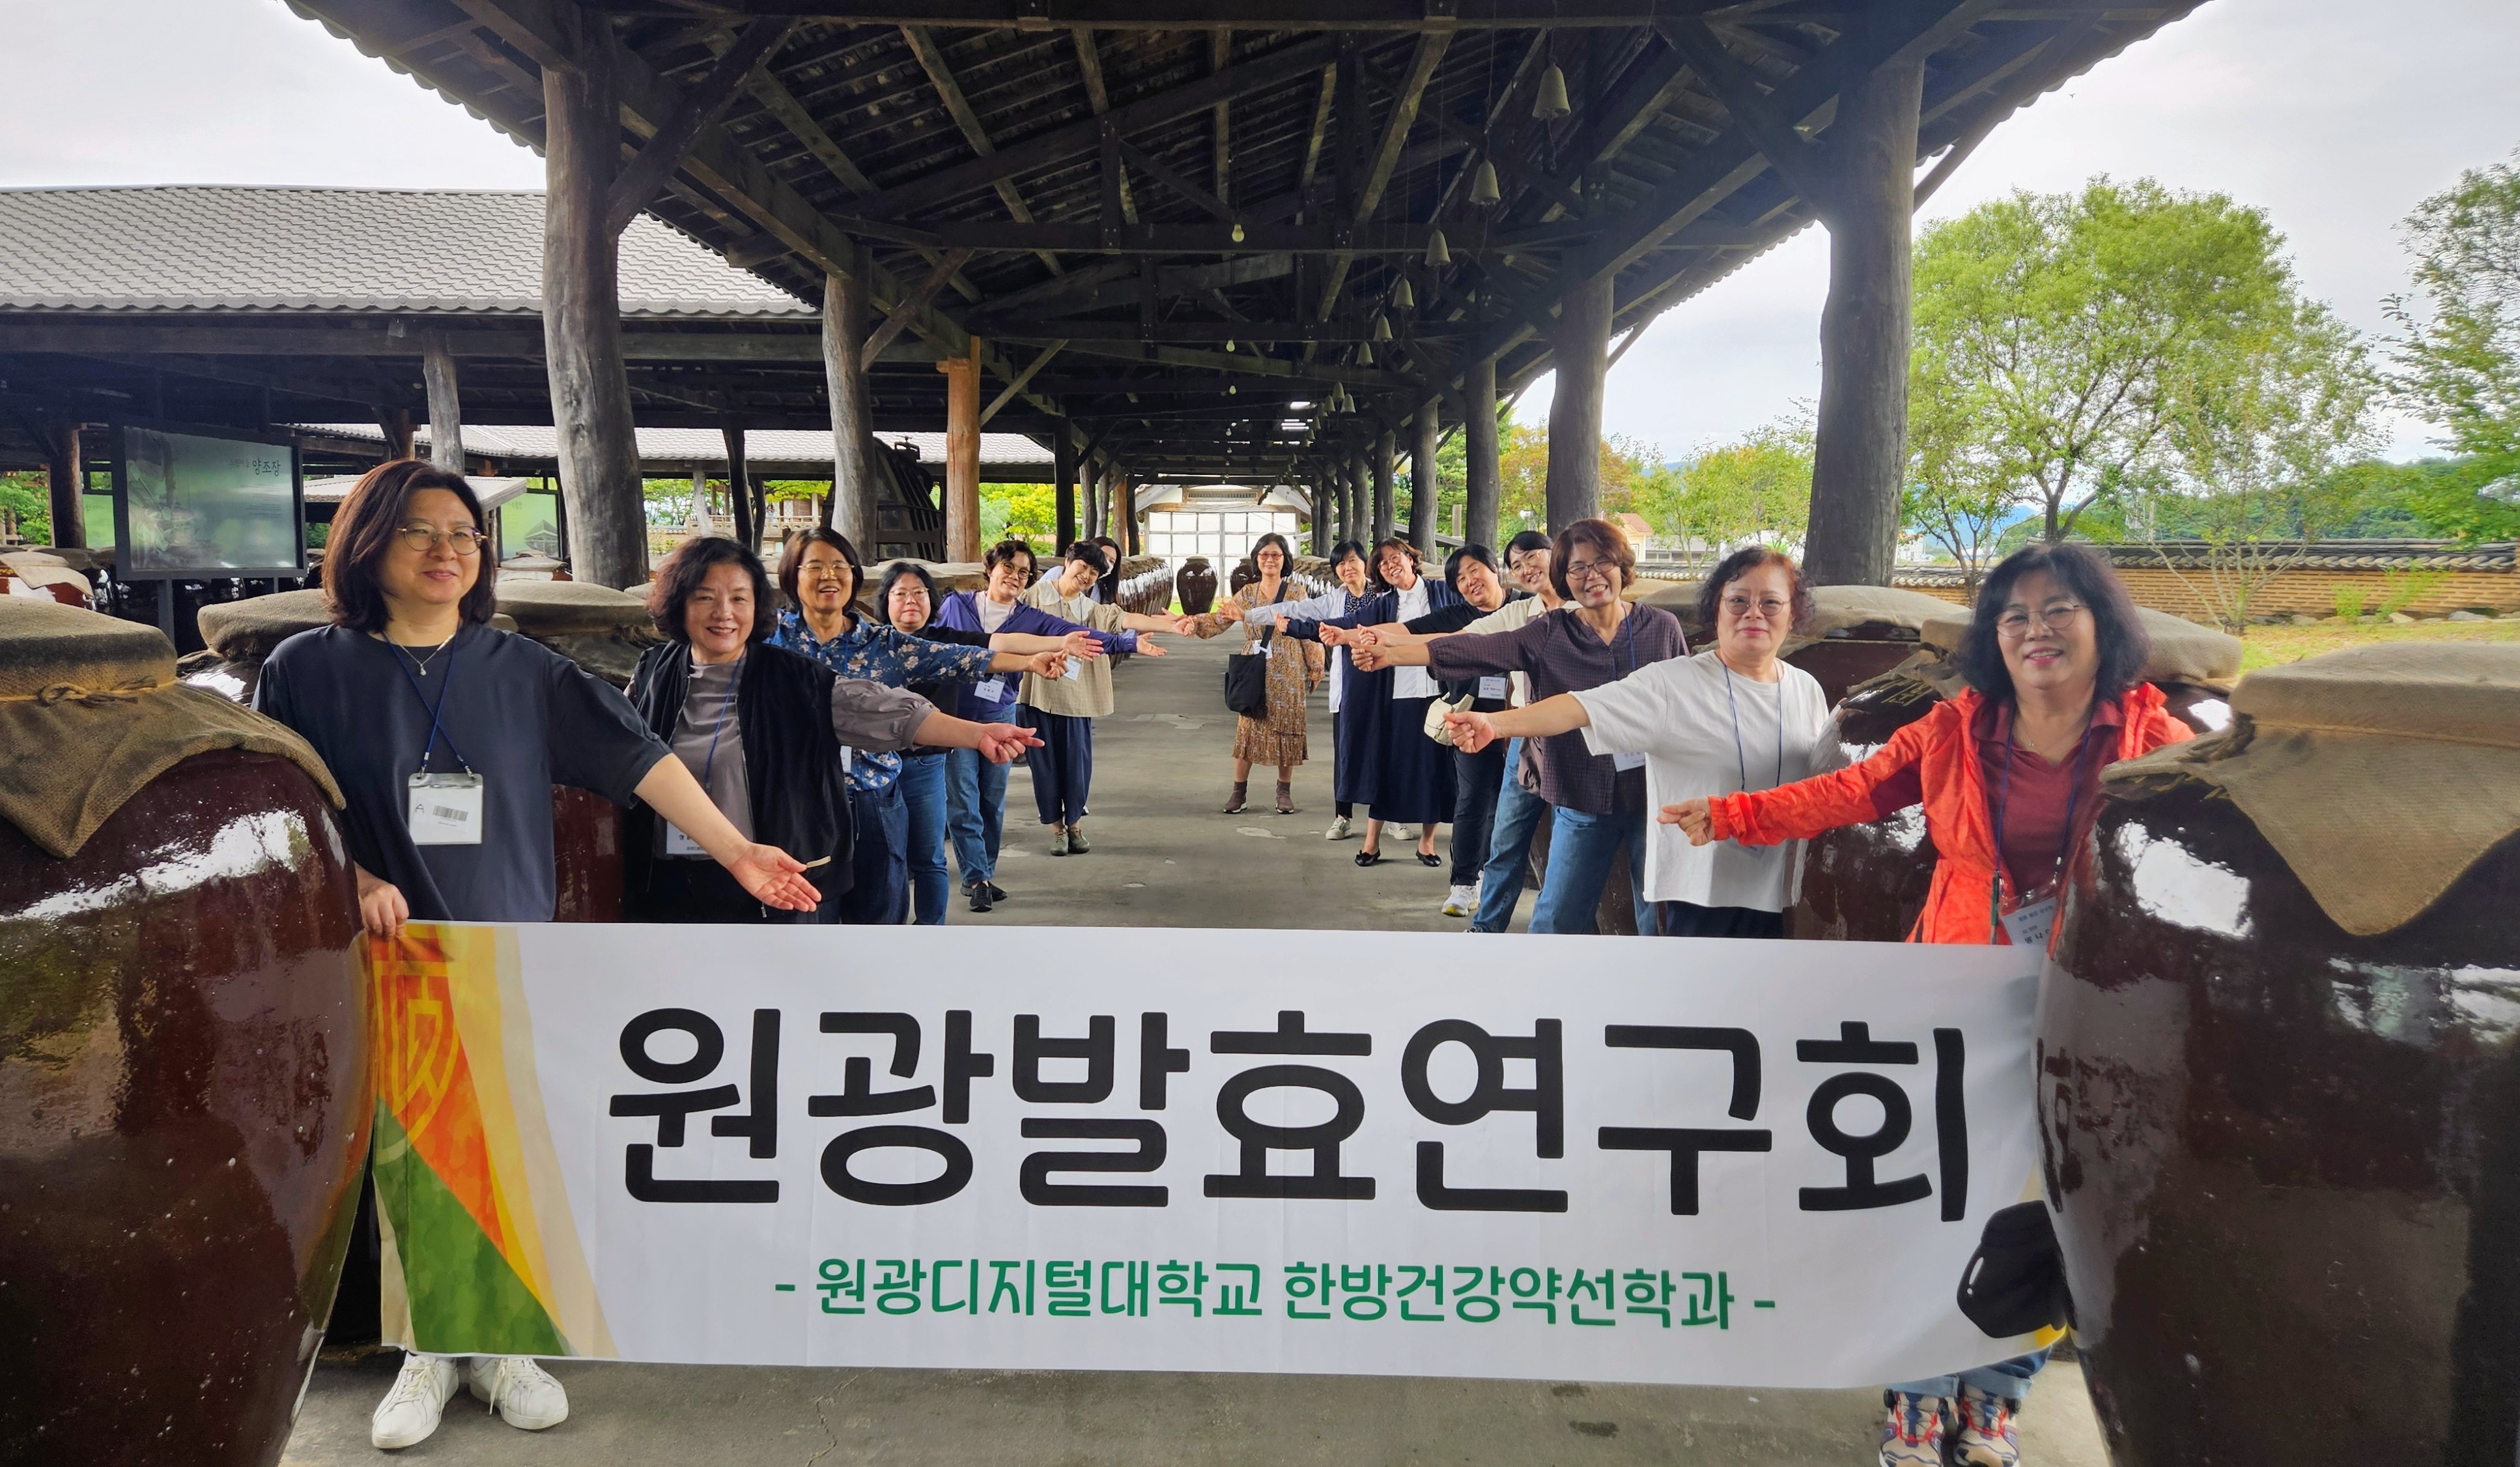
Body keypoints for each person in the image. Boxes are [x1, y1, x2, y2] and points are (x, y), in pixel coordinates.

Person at [254, 462, 821, 1451]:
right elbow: (280, 806)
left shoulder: (522, 671)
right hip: (389, 952)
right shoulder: (307, 668)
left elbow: (638, 758)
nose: (448, 551)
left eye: (465, 535)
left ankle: (504, 1344)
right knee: (416, 1155)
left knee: (512, 1145)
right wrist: (349, 878)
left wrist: (737, 851)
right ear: (367, 544)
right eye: (421, 532)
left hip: (511, 948)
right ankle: (430, 1351)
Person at [1662, 541, 2196, 1467]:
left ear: (2099, 625)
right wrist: (1738, 815)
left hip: (2086, 1017)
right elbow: (1858, 788)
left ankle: (1995, 1399)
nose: (2036, 630)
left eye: (2057, 609)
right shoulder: (1960, 727)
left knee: (2046, 1209)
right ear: (1994, 636)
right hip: (1954, 998)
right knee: (1936, 1201)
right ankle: (1916, 1393)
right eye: (2015, 614)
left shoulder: (2154, 743)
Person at [620, 541, 1040, 924]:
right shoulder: (656, 671)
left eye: (739, 598)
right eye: (704, 597)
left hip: (771, 871)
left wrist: (977, 733)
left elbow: (876, 709)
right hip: (669, 874)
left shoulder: (788, 675)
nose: (724, 612)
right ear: (678, 604)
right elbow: (622, 745)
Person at [1445, 547, 1832, 937]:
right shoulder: (1673, 682)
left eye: (1770, 603)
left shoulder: (1807, 689)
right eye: (1738, 601)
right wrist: (1496, 723)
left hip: (1785, 891)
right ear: (1716, 609)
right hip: (1702, 894)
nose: (1753, 613)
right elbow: (1578, 707)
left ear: (1793, 612)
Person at [1354, 518, 1684, 932]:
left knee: (1658, 912)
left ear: (1623, 565)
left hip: (1653, 797)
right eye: (1578, 568)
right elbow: (1481, 646)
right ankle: (1512, 958)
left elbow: (1684, 707)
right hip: (1581, 791)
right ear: (1564, 578)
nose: (1592, 576)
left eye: (1603, 563)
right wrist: (1393, 655)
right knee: (1557, 915)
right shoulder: (1549, 630)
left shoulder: (1663, 628)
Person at [769, 528, 1063, 925]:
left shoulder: (881, 643)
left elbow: (961, 657)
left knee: (881, 914)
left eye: (840, 565)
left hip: (873, 797)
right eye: (815, 566)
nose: (829, 575)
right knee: (806, 917)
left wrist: (1028, 662)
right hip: (797, 803)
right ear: (791, 576)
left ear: (854, 576)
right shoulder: (767, 643)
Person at [1344, 530, 1559, 920]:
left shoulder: (1530, 609)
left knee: (1518, 814)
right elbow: (1449, 638)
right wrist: (1379, 648)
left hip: (1530, 728)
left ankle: (1521, 899)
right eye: (1460, 579)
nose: (1470, 581)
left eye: (1476, 571)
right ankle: (1466, 885)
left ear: (1496, 572)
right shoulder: (1496, 615)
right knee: (1475, 801)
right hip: (1474, 722)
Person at [872, 557, 1101, 922]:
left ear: (933, 601)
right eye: (900, 594)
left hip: (933, 757)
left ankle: (956, 903)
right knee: (889, 853)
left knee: (937, 851)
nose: (910, 601)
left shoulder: (945, 643)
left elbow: (996, 648)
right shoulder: (870, 645)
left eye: (919, 593)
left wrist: (1035, 658)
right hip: (876, 767)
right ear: (885, 601)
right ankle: (897, 929)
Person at [933, 540, 1140, 909]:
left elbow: (1076, 632)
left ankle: (985, 870)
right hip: (955, 716)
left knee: (992, 800)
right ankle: (976, 877)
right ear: (991, 568)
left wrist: (1129, 643)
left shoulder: (1026, 616)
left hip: (999, 714)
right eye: (1008, 568)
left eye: (1023, 572)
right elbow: (930, 643)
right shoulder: (956, 605)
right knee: (963, 799)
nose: (1014, 577)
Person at [1286, 537, 1462, 867]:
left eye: (1396, 558)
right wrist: (1298, 627)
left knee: (1433, 771)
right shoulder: (1384, 604)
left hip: (1436, 695)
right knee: (1387, 767)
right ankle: (1371, 842)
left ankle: (1427, 843)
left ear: (1411, 559)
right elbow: (1349, 625)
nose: (1390, 566)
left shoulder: (1442, 594)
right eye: (1382, 564)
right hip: (1394, 696)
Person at [1023, 541, 1191, 854]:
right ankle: (1056, 830)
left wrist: (1170, 625)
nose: (1086, 575)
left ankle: (1074, 824)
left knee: (1077, 764)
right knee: (1044, 765)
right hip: (1037, 692)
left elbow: (1125, 619)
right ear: (1067, 562)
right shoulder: (1032, 597)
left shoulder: (1090, 609)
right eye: (1082, 567)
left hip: (1076, 695)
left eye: (1094, 572)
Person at [1236, 539, 1376, 839]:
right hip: (1346, 678)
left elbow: (1309, 632)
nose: (1347, 568)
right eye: (1341, 564)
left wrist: (1314, 667)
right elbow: (1297, 612)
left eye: (1353, 561)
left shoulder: (1383, 596)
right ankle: (1343, 815)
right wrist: (1246, 616)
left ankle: (1391, 814)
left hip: (1380, 677)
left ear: (1365, 561)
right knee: (1345, 749)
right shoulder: (1332, 599)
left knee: (1384, 747)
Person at [1189, 531, 1327, 815]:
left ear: (1285, 560)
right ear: (1256, 559)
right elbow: (1218, 620)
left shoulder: (1297, 593)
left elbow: (1310, 632)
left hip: (1289, 669)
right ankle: (1239, 791)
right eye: (1264, 555)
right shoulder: (1247, 594)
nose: (1269, 560)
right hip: (1254, 668)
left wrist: (1315, 667)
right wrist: (1189, 622)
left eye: (1276, 555)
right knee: (1248, 731)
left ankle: (1283, 792)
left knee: (1287, 729)